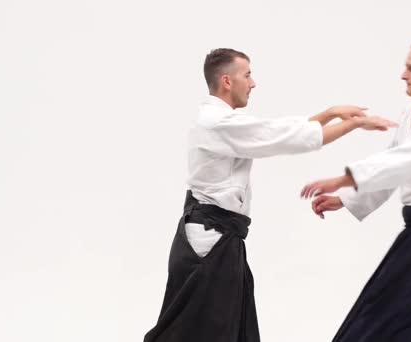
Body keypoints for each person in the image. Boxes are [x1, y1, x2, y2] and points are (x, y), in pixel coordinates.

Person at [143, 48, 397, 342]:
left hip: (218, 240)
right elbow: (282, 138)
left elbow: (275, 131)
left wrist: (329, 114)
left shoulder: (222, 121)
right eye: (247, 75)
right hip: (211, 244)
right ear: (227, 81)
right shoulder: (218, 123)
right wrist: (352, 124)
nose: (253, 83)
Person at [301, 39, 411, 341]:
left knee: (405, 325)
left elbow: (404, 163)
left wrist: (345, 179)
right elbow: (391, 165)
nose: (403, 75)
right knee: (373, 316)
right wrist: (344, 199)